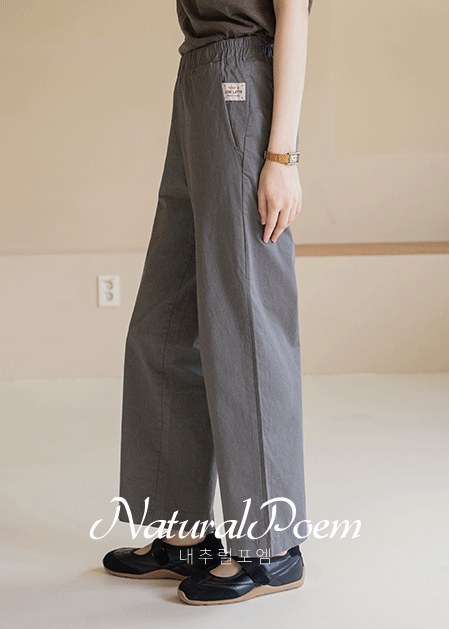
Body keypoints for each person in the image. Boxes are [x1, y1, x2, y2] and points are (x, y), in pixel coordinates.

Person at [102, 0, 313, 605]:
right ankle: (184, 536)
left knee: (246, 328)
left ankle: (272, 548)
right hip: (196, 75)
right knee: (163, 324)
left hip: (242, 79)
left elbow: (294, 14)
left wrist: (282, 156)